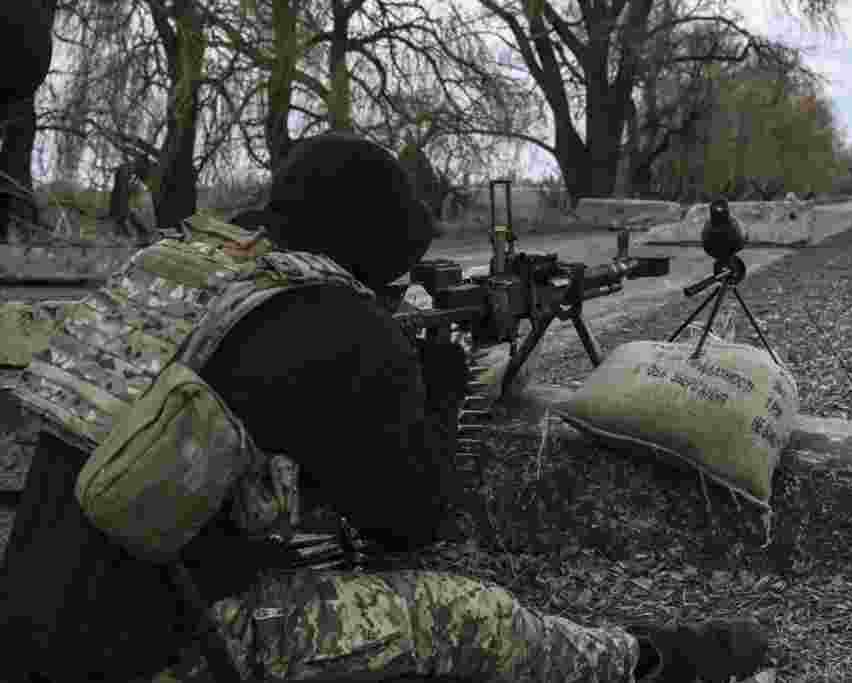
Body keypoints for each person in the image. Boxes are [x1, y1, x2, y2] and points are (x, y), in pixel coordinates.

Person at [0, 134, 769, 682]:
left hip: (31, 617)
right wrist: (435, 391)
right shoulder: (339, 320)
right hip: (161, 656)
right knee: (470, 614)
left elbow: (240, 416)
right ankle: (651, 660)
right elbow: (411, 524)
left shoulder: (172, 265)